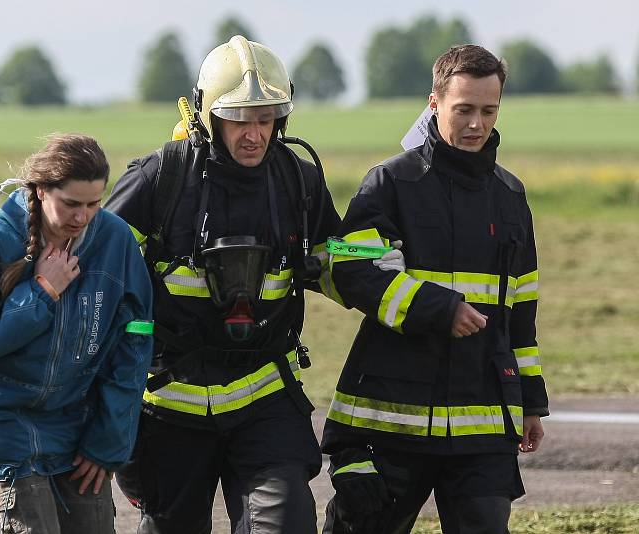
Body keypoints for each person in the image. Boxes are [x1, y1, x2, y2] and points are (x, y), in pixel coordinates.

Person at [105, 35, 342, 534]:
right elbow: (99, 277)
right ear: (208, 116)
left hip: (264, 396)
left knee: (286, 523)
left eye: (266, 118)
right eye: (239, 118)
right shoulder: (159, 180)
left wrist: (383, 266)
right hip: (169, 404)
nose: (254, 134)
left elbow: (333, 259)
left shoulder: (299, 182)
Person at [321, 45, 549, 534]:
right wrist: (436, 308)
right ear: (434, 103)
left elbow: (521, 309)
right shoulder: (389, 183)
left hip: (483, 421)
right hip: (392, 419)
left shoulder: (511, 196)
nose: (476, 124)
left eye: (489, 111)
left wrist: (531, 399)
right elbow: (351, 269)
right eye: (463, 109)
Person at [0, 133, 154, 533]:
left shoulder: (116, 240)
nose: (82, 217)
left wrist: (108, 441)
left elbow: (135, 343)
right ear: (40, 191)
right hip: (3, 426)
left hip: (80, 431)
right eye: (71, 204)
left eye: (94, 204)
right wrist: (41, 293)